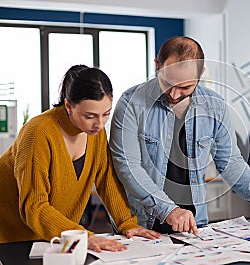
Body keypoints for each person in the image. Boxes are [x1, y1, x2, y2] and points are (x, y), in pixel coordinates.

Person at [109, 36, 250, 235]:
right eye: (167, 83)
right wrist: (168, 209)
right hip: (142, 225)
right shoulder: (131, 103)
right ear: (157, 65)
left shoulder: (215, 106)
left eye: (185, 87)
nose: (175, 94)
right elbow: (128, 166)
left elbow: (231, 163)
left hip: (195, 226)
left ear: (201, 73)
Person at [0, 65, 160, 251]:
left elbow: (107, 180)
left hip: (52, 238)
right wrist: (83, 236)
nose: (99, 124)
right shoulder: (38, 133)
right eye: (90, 116)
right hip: (9, 236)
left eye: (105, 114)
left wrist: (127, 223)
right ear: (69, 106)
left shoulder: (95, 134)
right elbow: (34, 206)